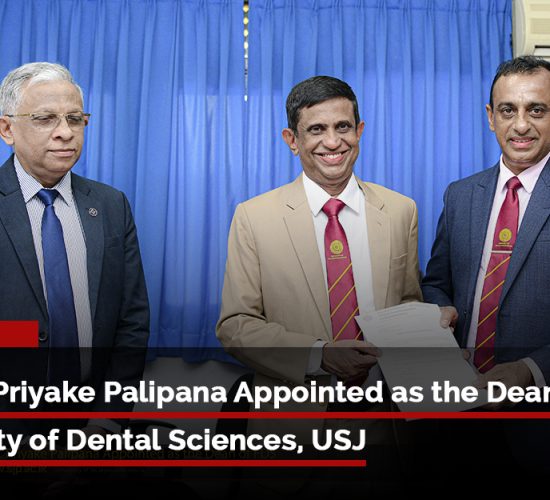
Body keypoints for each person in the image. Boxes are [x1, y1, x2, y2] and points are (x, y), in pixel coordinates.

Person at [217, 76, 422, 494]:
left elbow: (407, 304)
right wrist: (320, 356)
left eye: (343, 127)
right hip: (292, 433)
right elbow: (235, 325)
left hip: (385, 431)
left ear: (359, 131)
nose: (332, 142)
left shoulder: (401, 211)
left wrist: (431, 324)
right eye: (316, 129)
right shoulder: (254, 217)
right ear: (292, 140)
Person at [0, 62, 150, 438]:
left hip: (92, 423)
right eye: (45, 119)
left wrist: (108, 418)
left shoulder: (111, 205)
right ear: (7, 129)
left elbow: (131, 321)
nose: (65, 132)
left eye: (75, 119)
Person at [422, 55, 550, 480]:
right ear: (490, 117)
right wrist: (440, 313)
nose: (521, 125)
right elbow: (436, 282)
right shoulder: (460, 195)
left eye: (537, 110)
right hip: (456, 414)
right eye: (508, 110)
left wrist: (529, 370)